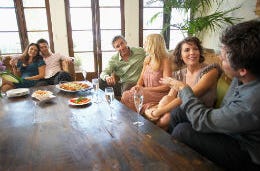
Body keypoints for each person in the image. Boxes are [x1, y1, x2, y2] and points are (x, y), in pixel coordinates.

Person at [160, 19, 260, 170]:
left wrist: (183, 87)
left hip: (246, 152)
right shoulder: (243, 76)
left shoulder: (252, 102)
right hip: (231, 127)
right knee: (177, 113)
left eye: (224, 57)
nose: (219, 58)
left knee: (182, 131)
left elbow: (202, 120)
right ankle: (174, 156)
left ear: (242, 69)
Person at [144, 37, 222, 131]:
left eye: (195, 49)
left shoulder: (210, 71)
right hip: (180, 109)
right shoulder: (180, 74)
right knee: (166, 99)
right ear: (181, 56)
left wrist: (157, 112)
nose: (192, 52)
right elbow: (171, 97)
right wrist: (154, 109)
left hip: (200, 111)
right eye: (187, 50)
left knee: (165, 118)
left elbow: (188, 96)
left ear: (199, 52)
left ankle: (150, 138)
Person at [121, 33, 172, 113]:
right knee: (126, 94)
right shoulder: (147, 59)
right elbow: (141, 78)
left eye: (146, 42)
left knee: (129, 96)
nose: (144, 44)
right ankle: (137, 115)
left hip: (159, 94)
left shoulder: (165, 61)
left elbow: (166, 87)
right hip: (147, 91)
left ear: (153, 45)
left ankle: (137, 116)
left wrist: (144, 89)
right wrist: (137, 86)